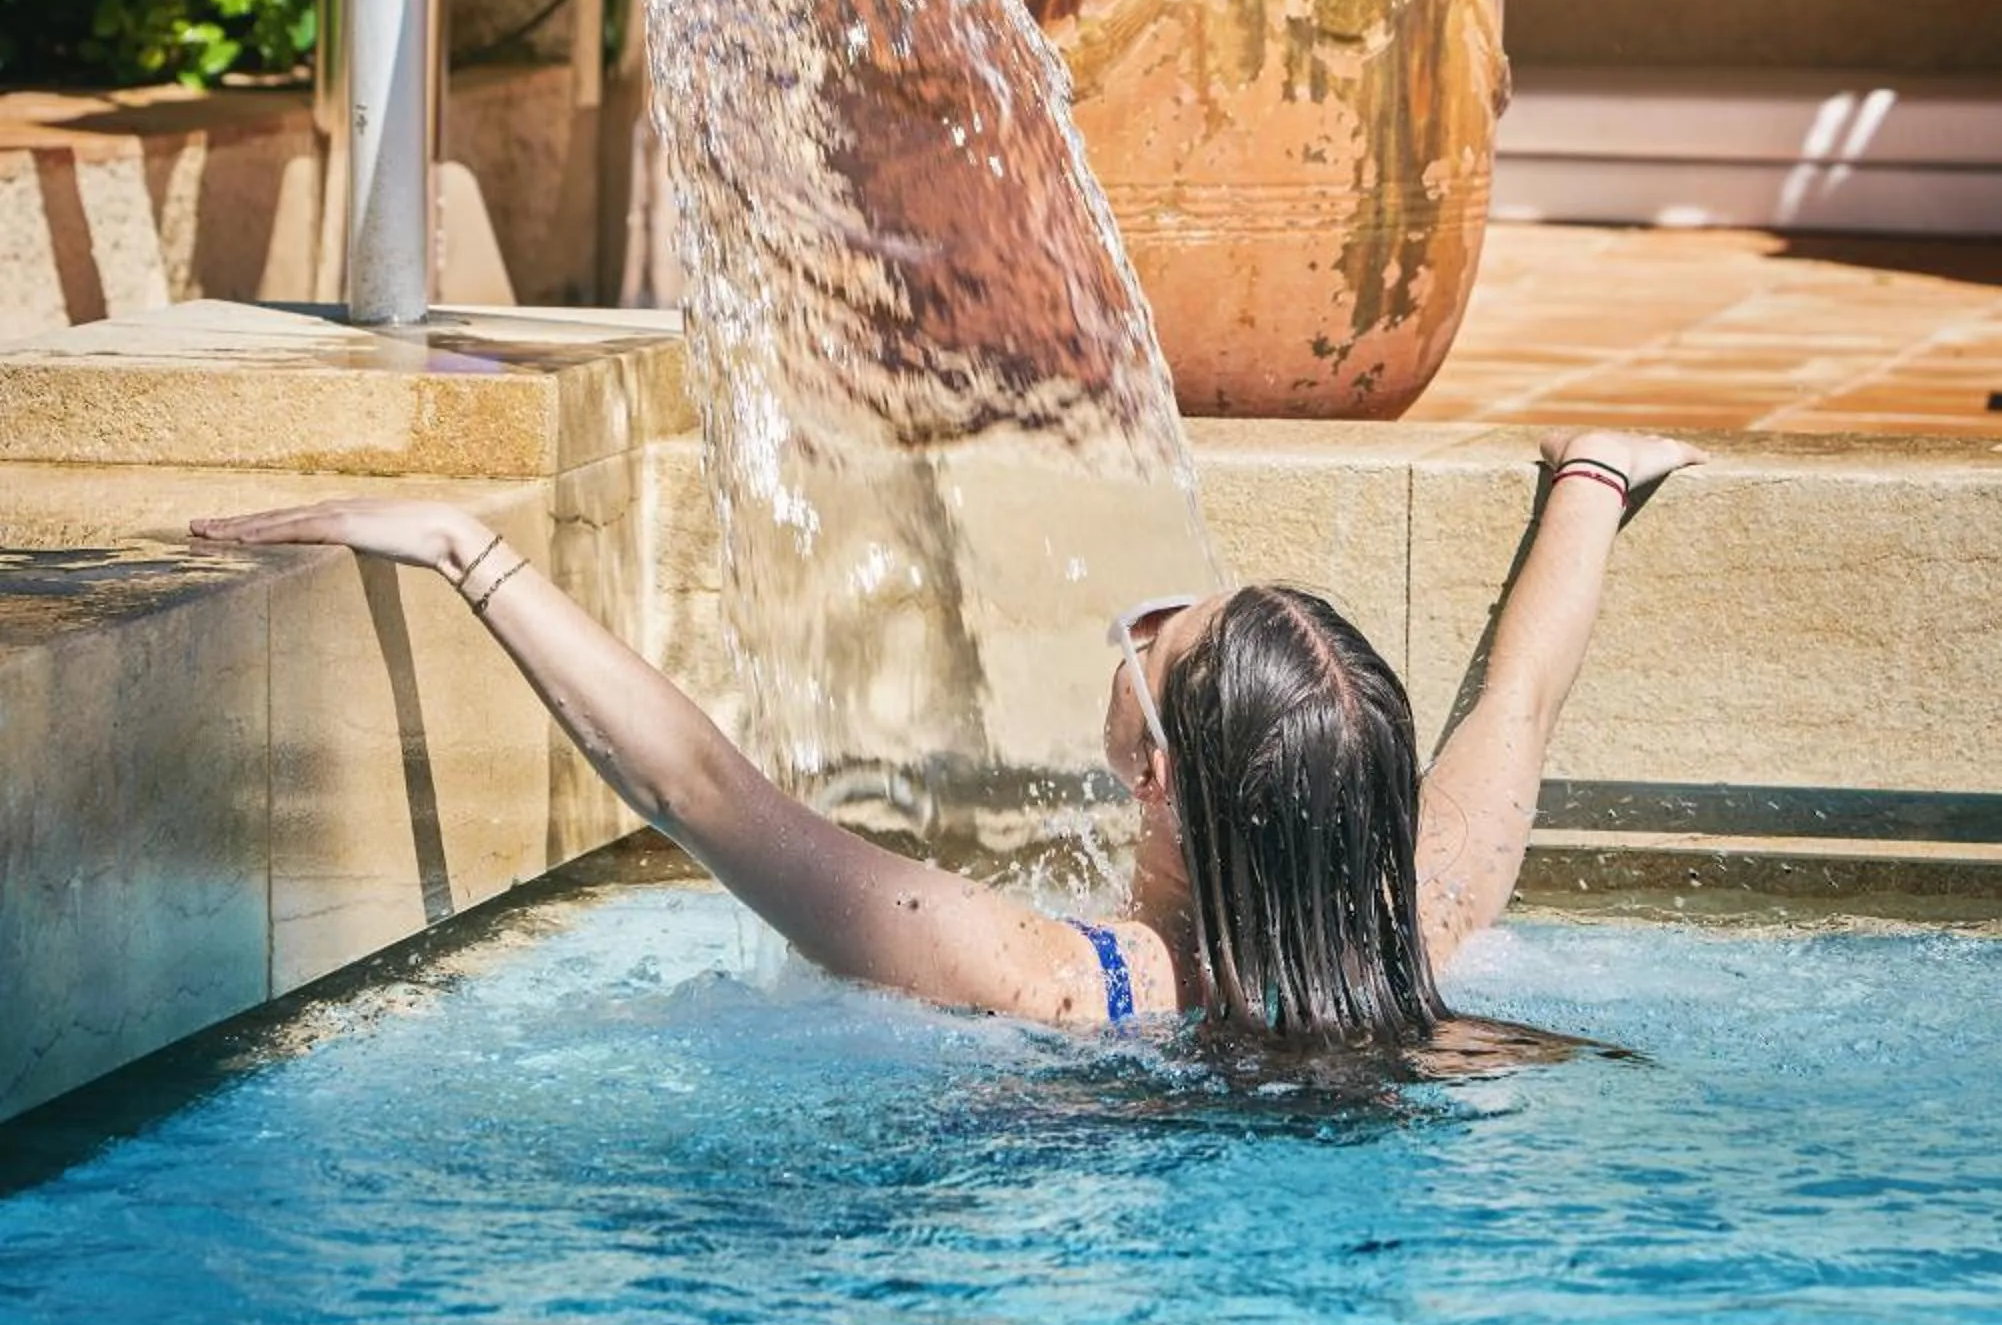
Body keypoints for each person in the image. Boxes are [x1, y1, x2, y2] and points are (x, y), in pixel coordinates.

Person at [190, 427, 1700, 1042]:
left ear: (1152, 773)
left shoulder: (1057, 982)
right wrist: (1591, 479)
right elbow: (1513, 710)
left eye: (1149, 639)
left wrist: (469, 548)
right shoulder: (1415, 921)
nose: (1134, 625)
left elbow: (700, 789)